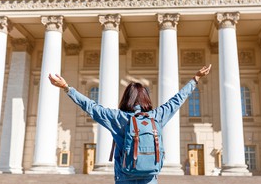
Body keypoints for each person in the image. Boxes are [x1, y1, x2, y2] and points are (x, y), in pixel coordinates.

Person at [48, 64, 212, 183]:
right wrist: (195, 79)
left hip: (124, 176)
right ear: (146, 98)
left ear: (126, 98)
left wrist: (67, 88)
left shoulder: (118, 118)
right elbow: (177, 100)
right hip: (149, 177)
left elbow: (90, 106)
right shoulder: (156, 116)